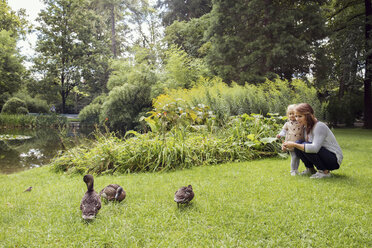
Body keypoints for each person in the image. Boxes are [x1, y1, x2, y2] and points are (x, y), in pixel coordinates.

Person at [283, 103, 343, 178]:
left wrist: (294, 144)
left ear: (308, 115)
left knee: (302, 145)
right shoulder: (305, 127)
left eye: (300, 116)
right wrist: (287, 145)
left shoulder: (319, 126)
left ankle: (324, 172)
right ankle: (310, 169)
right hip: (323, 154)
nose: (297, 119)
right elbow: (298, 142)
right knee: (299, 143)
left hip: (333, 160)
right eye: (296, 116)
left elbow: (315, 148)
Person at [277, 104, 304, 176]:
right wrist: (280, 135)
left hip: (299, 142)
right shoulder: (287, 124)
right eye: (290, 114)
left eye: (294, 114)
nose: (292, 115)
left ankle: (296, 170)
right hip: (290, 142)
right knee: (294, 157)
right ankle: (292, 170)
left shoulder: (300, 122)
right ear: (287, 115)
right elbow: (284, 131)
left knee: (298, 157)